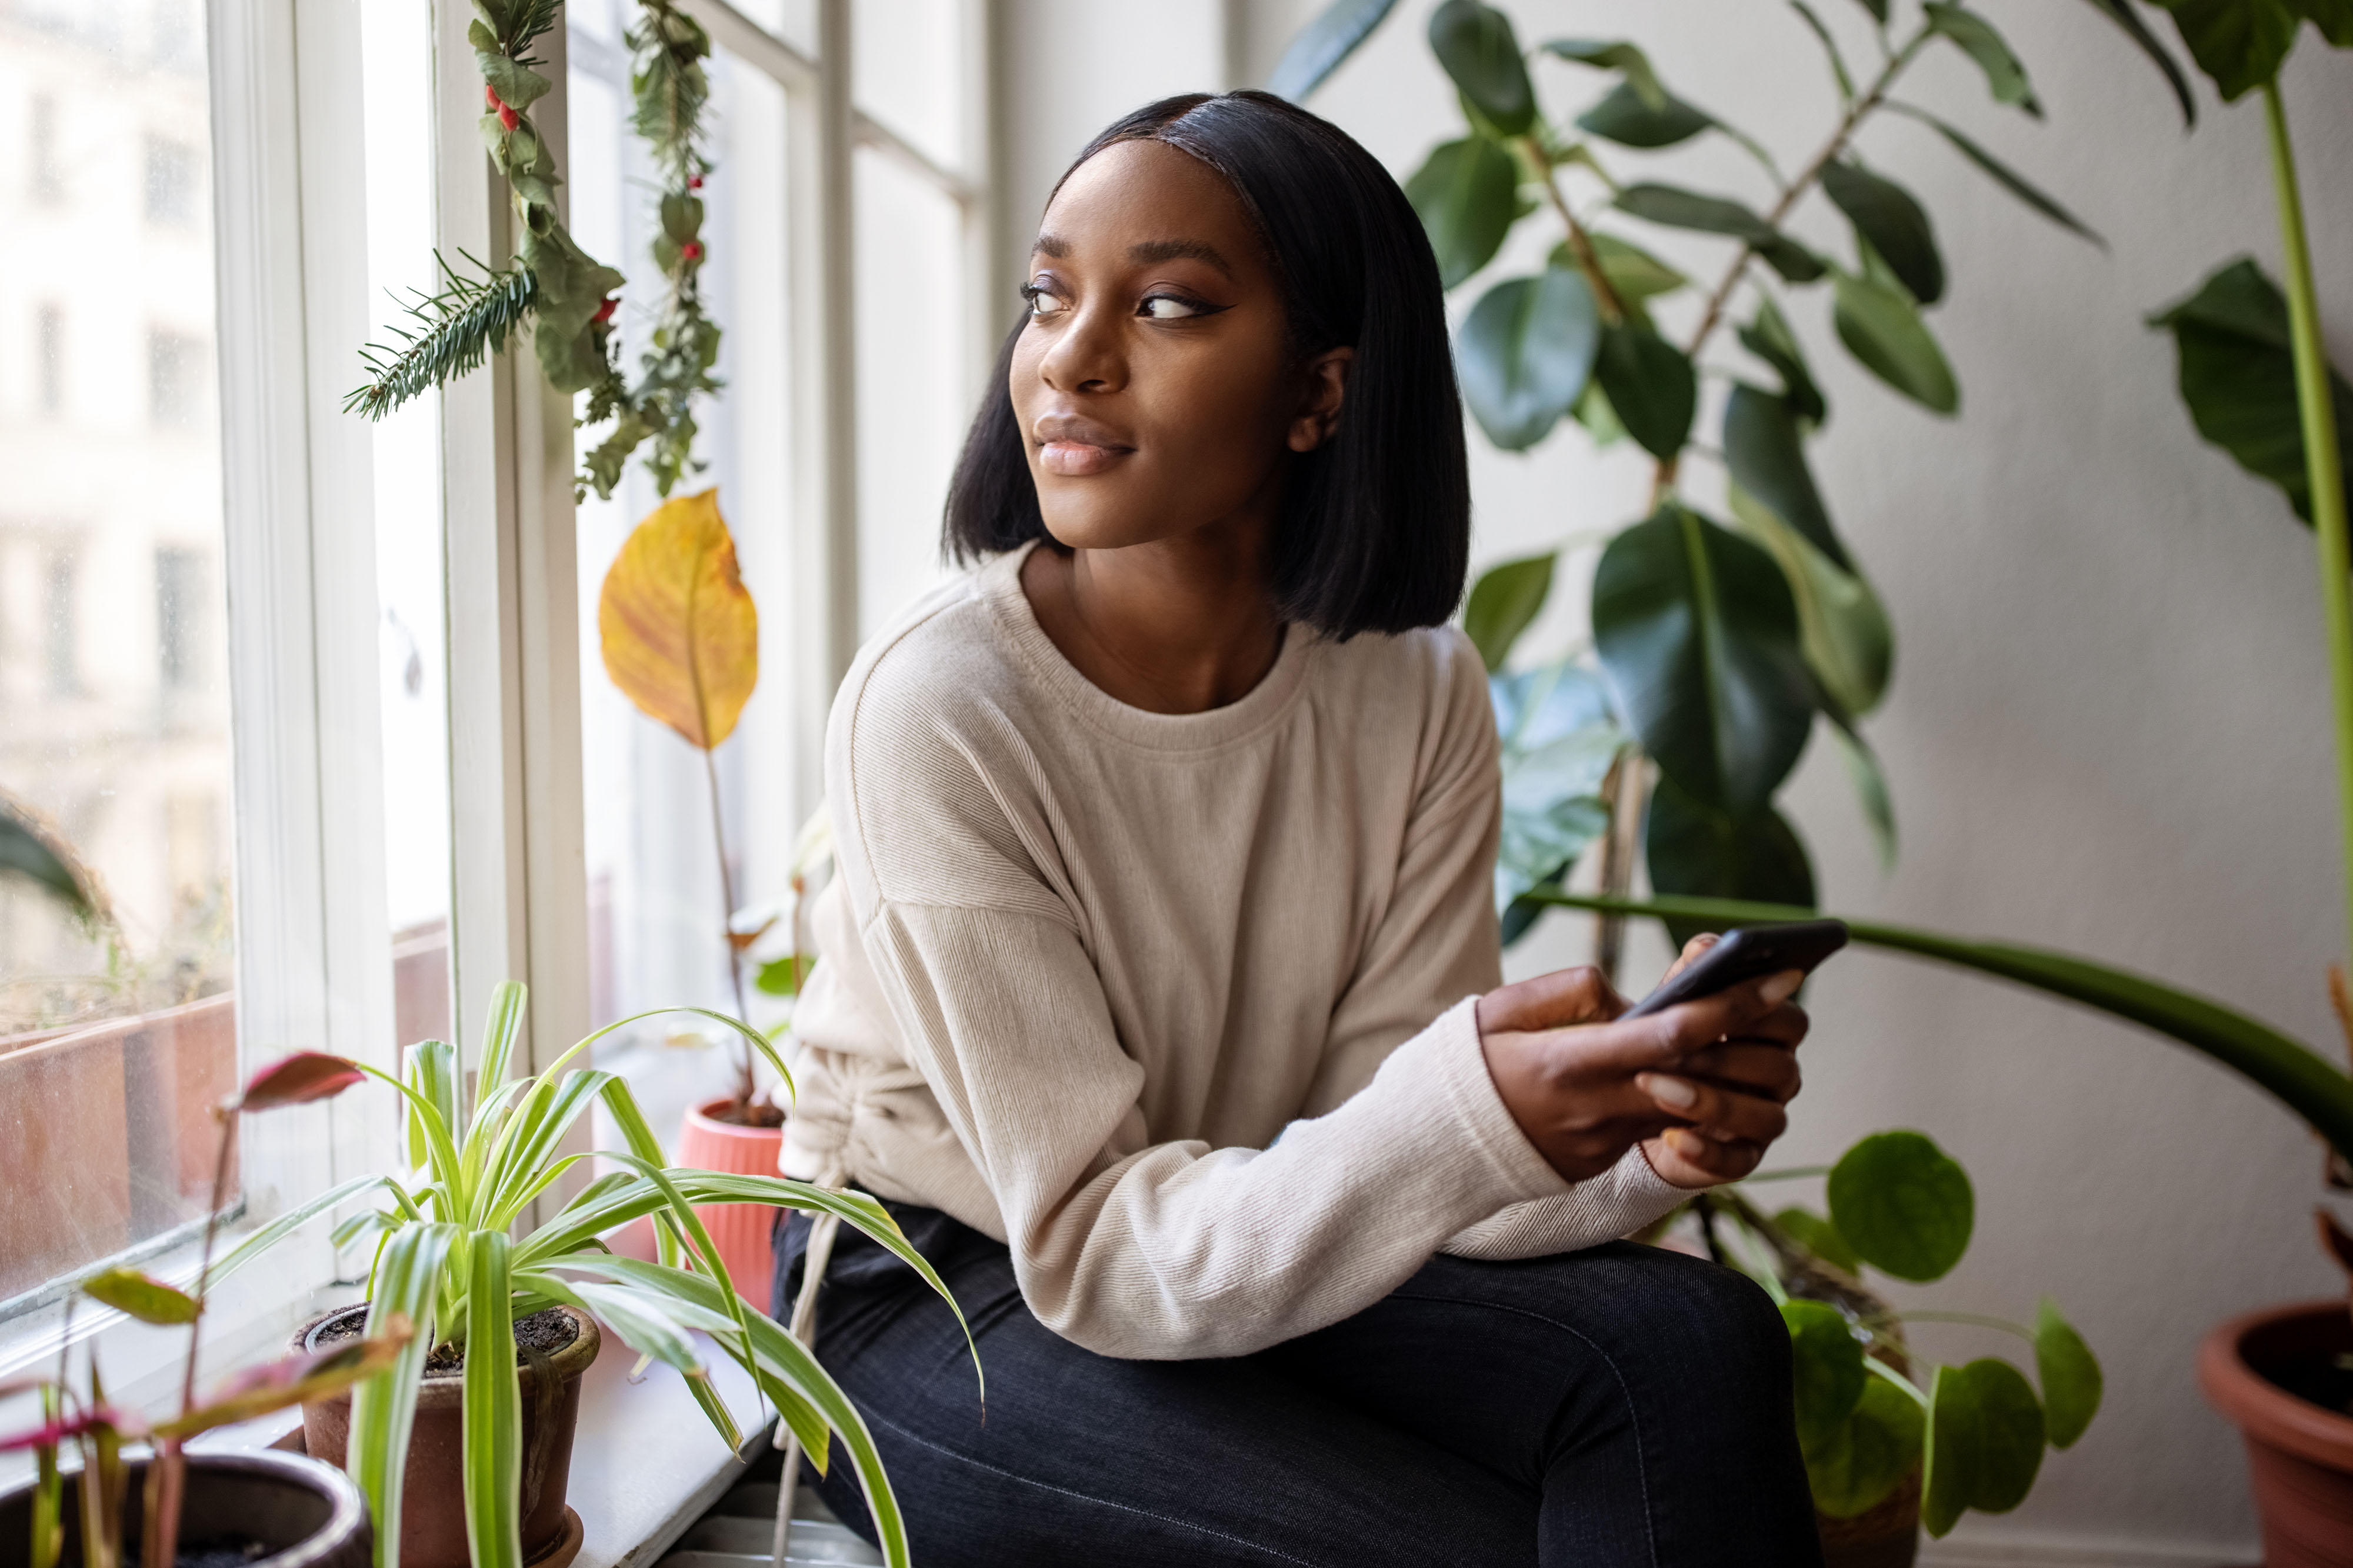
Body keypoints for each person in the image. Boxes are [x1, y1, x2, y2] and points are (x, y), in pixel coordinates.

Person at [771, 90, 1820, 1567]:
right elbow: (1092, 1242)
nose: (1069, 358)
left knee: (1698, 1341)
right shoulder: (937, 705)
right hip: (938, 1290)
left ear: (1319, 394)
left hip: (1230, 1225)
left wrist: (1641, 1133)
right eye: (1049, 295)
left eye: (1168, 305)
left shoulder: (1413, 691)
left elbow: (1379, 1150)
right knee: (1456, 1540)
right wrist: (1458, 1114)